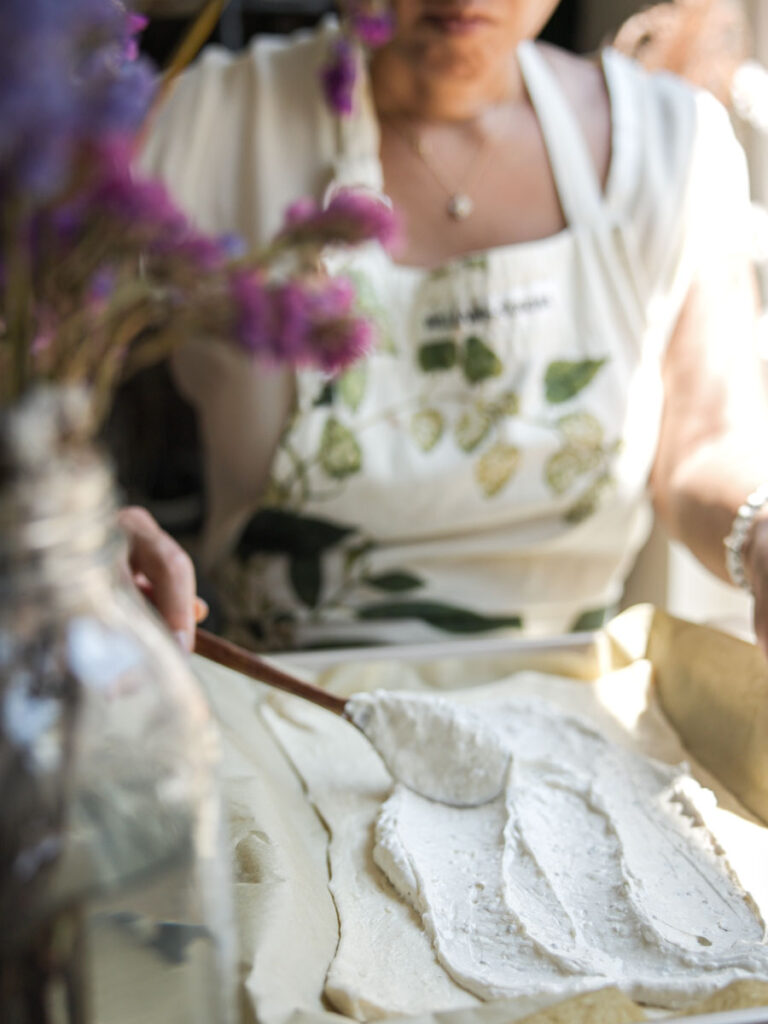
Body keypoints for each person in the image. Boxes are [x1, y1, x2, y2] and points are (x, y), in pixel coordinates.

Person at [126, 0, 768, 654]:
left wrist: (761, 528)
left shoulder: (672, 144)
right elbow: (32, 383)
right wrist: (89, 532)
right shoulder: (203, 124)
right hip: (279, 703)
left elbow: (707, 444)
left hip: (560, 706)